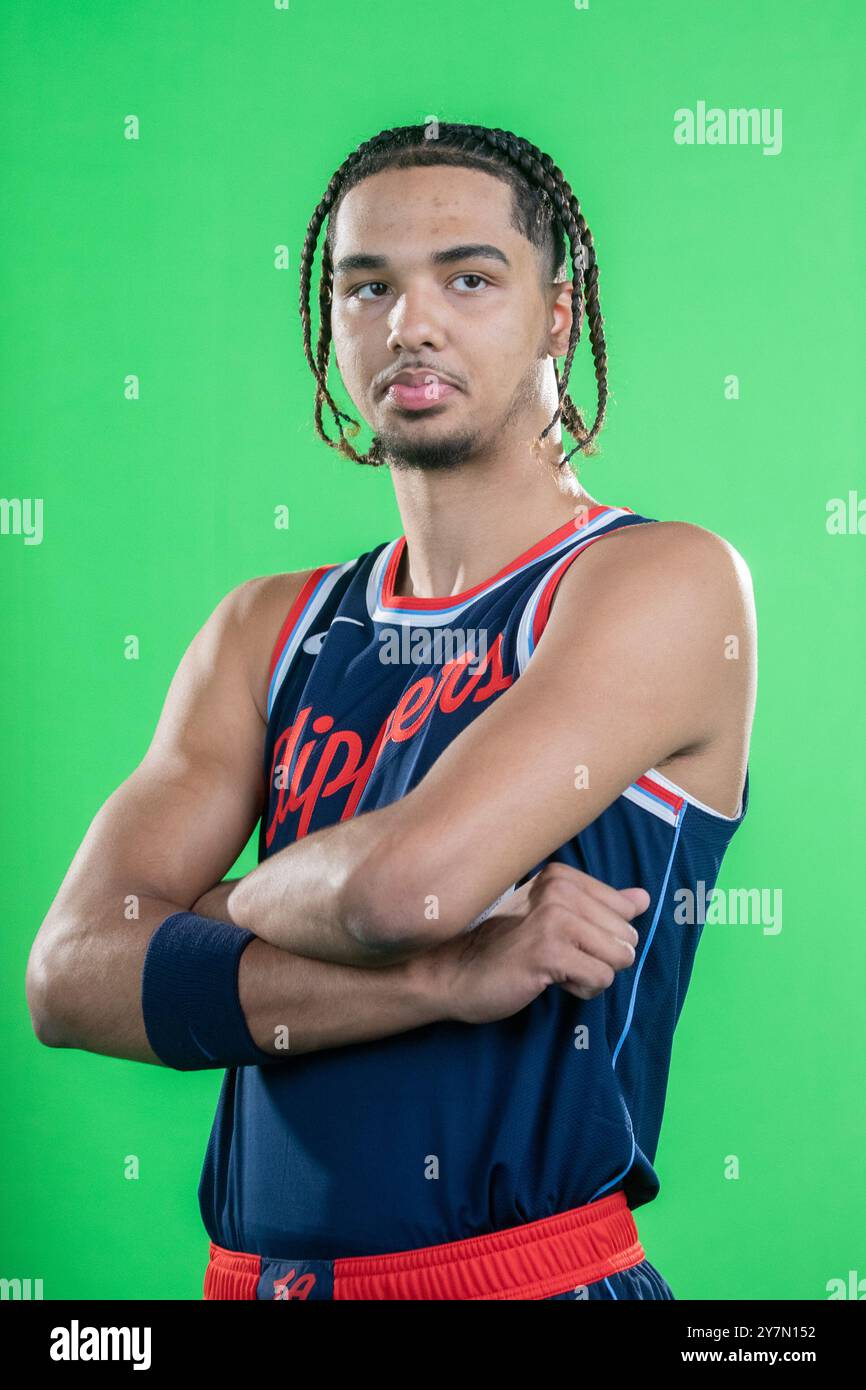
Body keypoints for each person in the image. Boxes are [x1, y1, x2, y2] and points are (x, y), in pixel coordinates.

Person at [26, 122, 756, 1301]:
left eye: (467, 277)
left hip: (520, 1280)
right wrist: (433, 978)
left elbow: (397, 888)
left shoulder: (653, 580)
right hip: (252, 1281)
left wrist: (206, 911)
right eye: (366, 286)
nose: (409, 322)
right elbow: (68, 977)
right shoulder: (270, 627)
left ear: (555, 318)